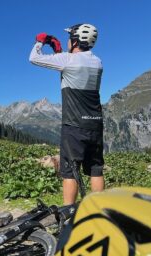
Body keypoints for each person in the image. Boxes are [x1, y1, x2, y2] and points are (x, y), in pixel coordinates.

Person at [29, 24, 105, 205]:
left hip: (74, 125)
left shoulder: (67, 60)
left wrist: (40, 41)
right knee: (96, 169)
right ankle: (100, 210)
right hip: (95, 123)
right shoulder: (97, 62)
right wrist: (60, 51)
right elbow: (73, 65)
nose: (67, 40)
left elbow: (34, 58)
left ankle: (68, 215)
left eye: (70, 37)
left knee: (70, 172)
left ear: (76, 41)